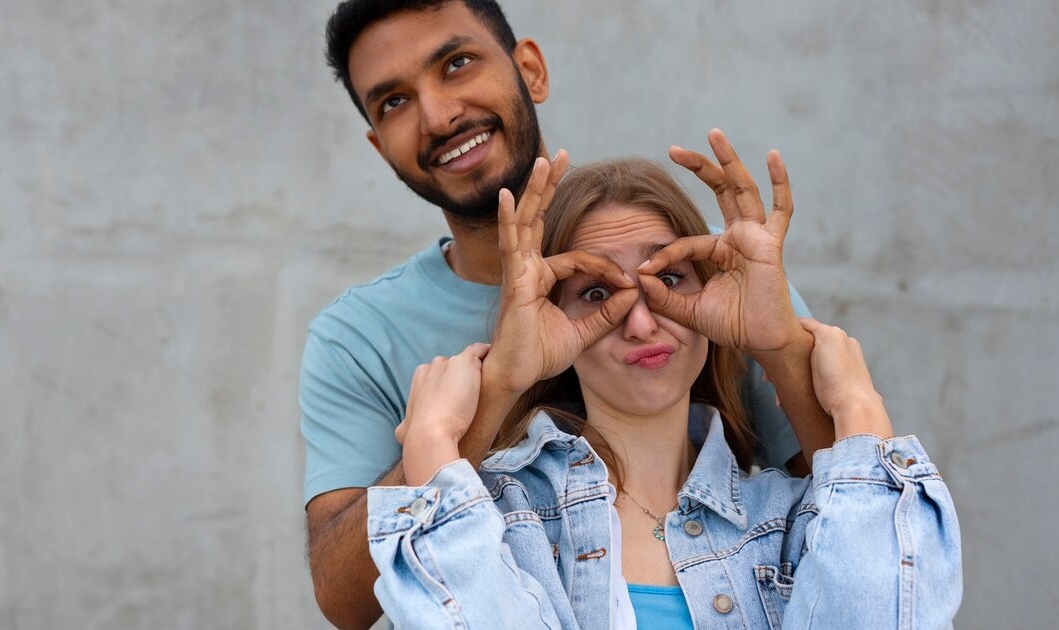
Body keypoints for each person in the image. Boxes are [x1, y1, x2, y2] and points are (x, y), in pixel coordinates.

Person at [304, 1, 834, 626]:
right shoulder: (358, 335)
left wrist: (777, 348)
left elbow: (842, 519)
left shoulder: (716, 273)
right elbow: (345, 602)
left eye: (457, 63)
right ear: (377, 143)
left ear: (531, 70)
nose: (438, 116)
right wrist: (492, 391)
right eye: (392, 101)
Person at [367, 142, 963, 628]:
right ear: (548, 318)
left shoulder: (800, 520)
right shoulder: (496, 516)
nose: (642, 322)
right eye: (596, 293)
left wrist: (858, 411)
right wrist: (431, 449)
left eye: (669, 279)